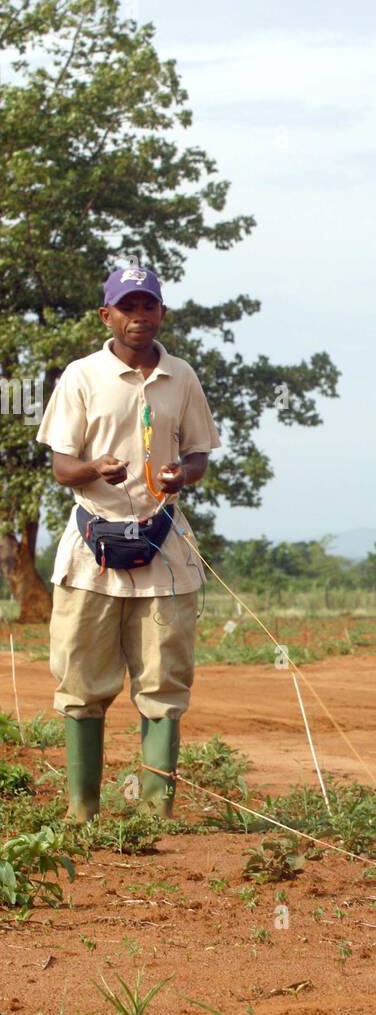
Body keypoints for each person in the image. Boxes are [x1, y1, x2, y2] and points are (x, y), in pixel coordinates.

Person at [36, 266, 220, 822]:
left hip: (164, 547)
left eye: (149, 306)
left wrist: (180, 474)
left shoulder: (181, 376)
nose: (139, 316)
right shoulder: (82, 375)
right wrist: (94, 467)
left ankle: (154, 812)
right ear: (107, 316)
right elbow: (61, 465)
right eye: (128, 307)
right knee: (80, 678)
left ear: (161, 313)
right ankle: (81, 809)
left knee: (163, 680)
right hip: (92, 548)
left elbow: (200, 456)